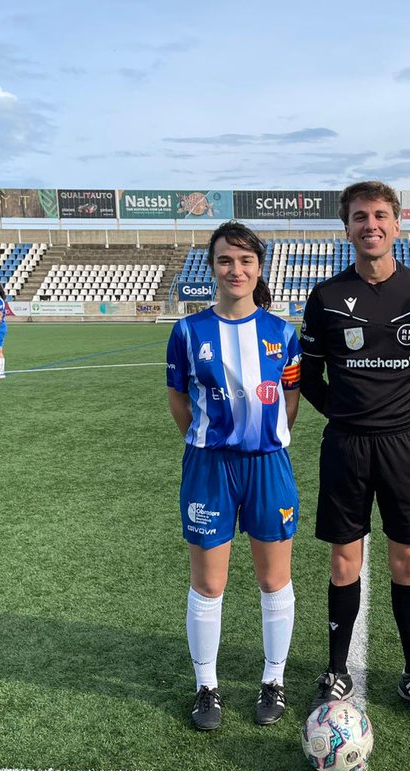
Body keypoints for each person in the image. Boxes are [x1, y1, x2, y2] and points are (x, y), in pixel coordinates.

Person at [300, 180, 410, 722]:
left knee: (406, 558)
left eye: (380, 215)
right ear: (346, 228)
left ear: (397, 224)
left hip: (403, 448)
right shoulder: (324, 297)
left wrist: (408, 420)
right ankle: (336, 670)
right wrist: (345, 415)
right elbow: (310, 377)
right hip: (345, 445)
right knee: (344, 561)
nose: (371, 225)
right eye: (360, 217)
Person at [166, 221, 302, 730]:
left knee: (274, 579)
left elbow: (291, 397)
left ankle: (274, 680)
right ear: (213, 267)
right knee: (209, 582)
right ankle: (207, 688)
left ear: (259, 268)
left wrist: (269, 436)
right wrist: (207, 438)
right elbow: (178, 399)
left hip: (268, 464)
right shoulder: (188, 331)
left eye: (246, 260)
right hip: (208, 468)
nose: (236, 269)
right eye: (226, 260)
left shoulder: (282, 332)